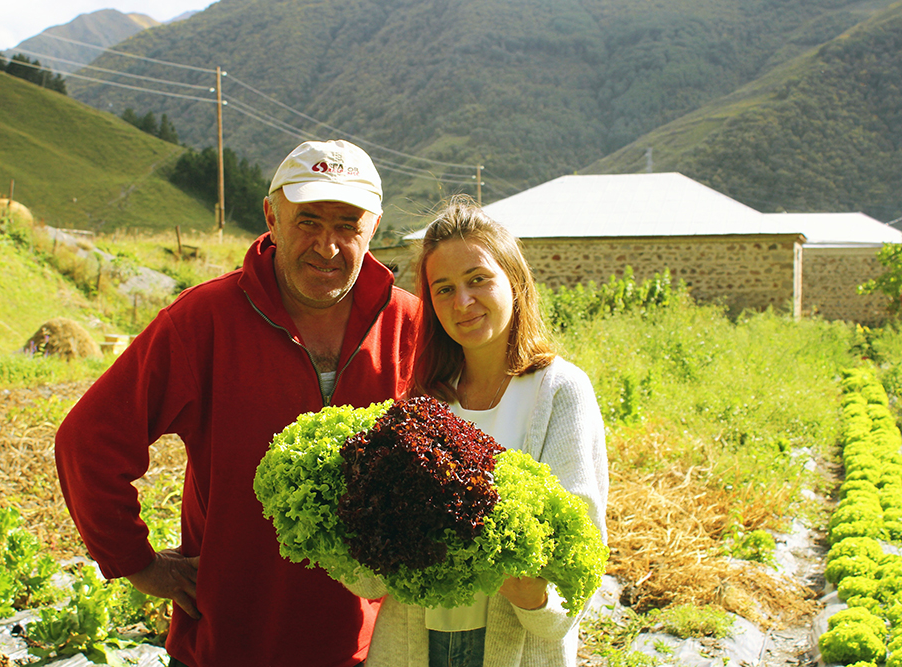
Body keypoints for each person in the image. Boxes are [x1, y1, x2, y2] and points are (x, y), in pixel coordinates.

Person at [54, 139, 421, 667]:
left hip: (367, 648)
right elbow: (88, 441)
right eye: (308, 221)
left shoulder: (409, 324)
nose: (327, 245)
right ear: (271, 216)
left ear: (375, 228)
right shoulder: (204, 320)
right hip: (227, 642)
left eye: (348, 225)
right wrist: (137, 562)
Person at [346, 196, 608, 667]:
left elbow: (580, 556)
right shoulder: (425, 401)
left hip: (516, 648)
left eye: (478, 279)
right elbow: (373, 574)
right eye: (443, 289)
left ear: (514, 279)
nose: (462, 302)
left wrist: (532, 593)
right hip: (413, 646)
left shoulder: (559, 391)